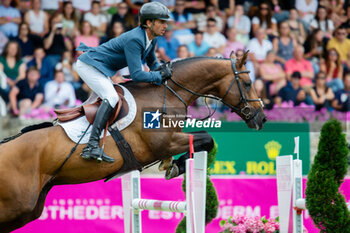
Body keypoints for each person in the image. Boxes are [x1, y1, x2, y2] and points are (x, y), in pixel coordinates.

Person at [75, 2, 172, 163]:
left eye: (165, 22)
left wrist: (165, 70)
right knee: (111, 98)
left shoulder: (151, 38)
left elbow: (152, 63)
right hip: (89, 65)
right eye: (161, 21)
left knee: (113, 97)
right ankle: (91, 145)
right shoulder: (135, 39)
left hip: (101, 67)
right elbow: (137, 75)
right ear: (149, 23)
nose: (165, 26)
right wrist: (159, 76)